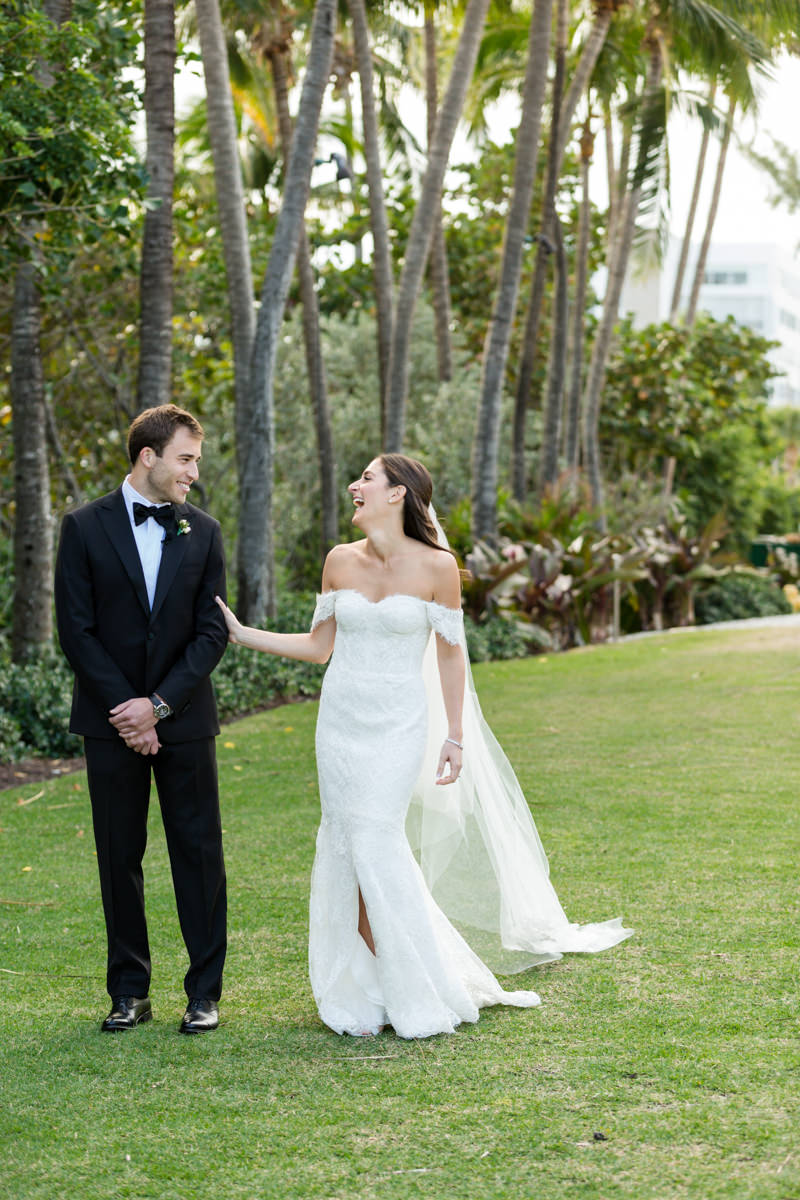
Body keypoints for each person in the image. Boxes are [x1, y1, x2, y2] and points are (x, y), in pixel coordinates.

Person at [216, 454, 631, 1039]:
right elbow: (318, 647)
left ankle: (413, 981)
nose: (355, 485)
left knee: (375, 839)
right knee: (345, 845)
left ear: (398, 494)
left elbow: (451, 655)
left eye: (367, 478)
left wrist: (454, 735)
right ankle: (367, 983)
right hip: (340, 723)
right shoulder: (339, 560)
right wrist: (242, 634)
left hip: (398, 725)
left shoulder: (438, 567)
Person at [54, 404, 229, 1035]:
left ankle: (204, 993)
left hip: (185, 720)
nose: (193, 473)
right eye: (185, 459)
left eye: (196, 462)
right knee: (118, 856)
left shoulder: (204, 531)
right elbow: (75, 629)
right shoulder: (83, 526)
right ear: (148, 456)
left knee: (199, 856)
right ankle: (129, 991)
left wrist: (156, 706)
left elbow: (211, 632)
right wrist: (127, 711)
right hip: (109, 723)